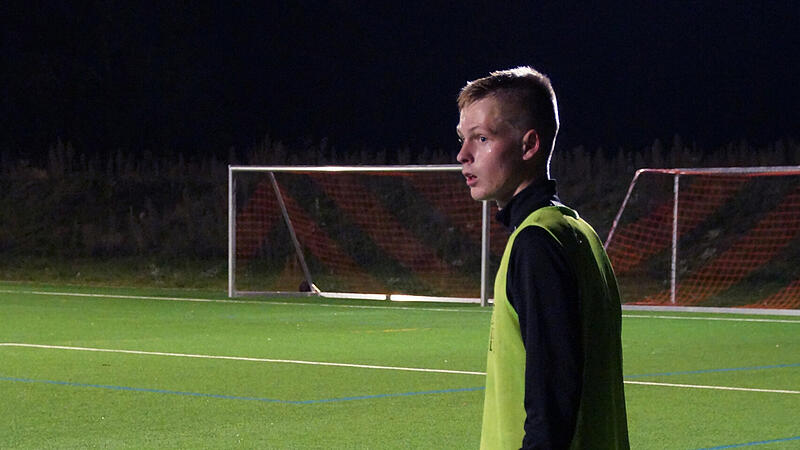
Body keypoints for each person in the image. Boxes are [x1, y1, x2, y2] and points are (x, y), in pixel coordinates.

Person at [456, 67, 629, 449]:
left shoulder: (536, 244)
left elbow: (551, 409)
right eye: (463, 140)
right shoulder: (578, 233)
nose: (463, 155)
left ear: (529, 145)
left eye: (481, 138)